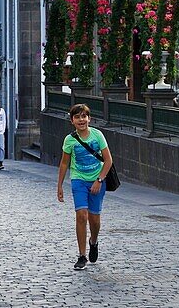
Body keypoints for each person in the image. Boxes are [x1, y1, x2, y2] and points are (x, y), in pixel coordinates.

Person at [57, 103, 113, 271]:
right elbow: (64, 163)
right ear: (72, 120)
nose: (81, 120)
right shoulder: (70, 140)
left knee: (94, 218)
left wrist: (99, 180)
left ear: (89, 118)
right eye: (77, 117)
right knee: (81, 215)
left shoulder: (97, 135)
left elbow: (108, 160)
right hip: (78, 179)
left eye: (84, 116)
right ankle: (82, 255)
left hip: (97, 179)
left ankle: (93, 241)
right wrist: (59, 185)